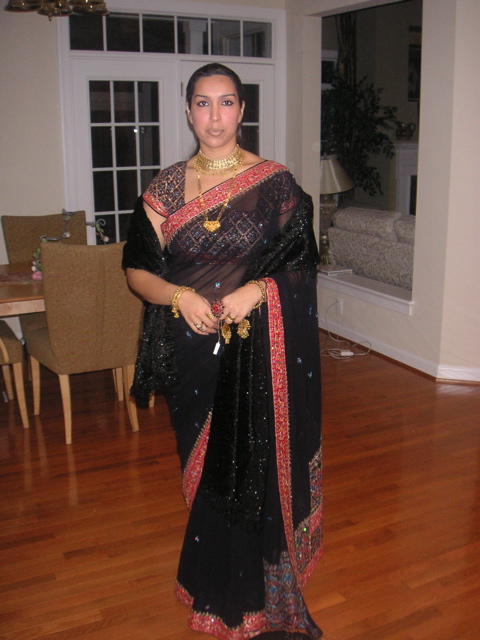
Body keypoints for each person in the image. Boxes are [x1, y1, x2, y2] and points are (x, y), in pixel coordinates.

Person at [123, 62, 323, 639]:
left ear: (242, 110)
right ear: (188, 111)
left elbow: (301, 262)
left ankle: (247, 595)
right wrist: (180, 296)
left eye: (226, 102)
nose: (215, 116)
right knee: (207, 469)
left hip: (257, 348)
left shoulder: (275, 182)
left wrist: (258, 290)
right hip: (189, 348)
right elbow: (137, 270)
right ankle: (212, 576)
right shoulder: (164, 188)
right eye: (203, 103)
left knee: (248, 470)